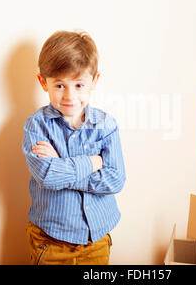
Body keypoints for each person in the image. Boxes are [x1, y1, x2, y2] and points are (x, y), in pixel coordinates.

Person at [22, 30, 126, 265]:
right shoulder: (36, 126)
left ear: (94, 81)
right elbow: (48, 176)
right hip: (50, 241)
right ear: (43, 82)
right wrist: (91, 163)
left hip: (96, 239)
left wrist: (61, 164)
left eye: (79, 84)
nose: (69, 95)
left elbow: (115, 179)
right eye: (59, 85)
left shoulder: (105, 125)